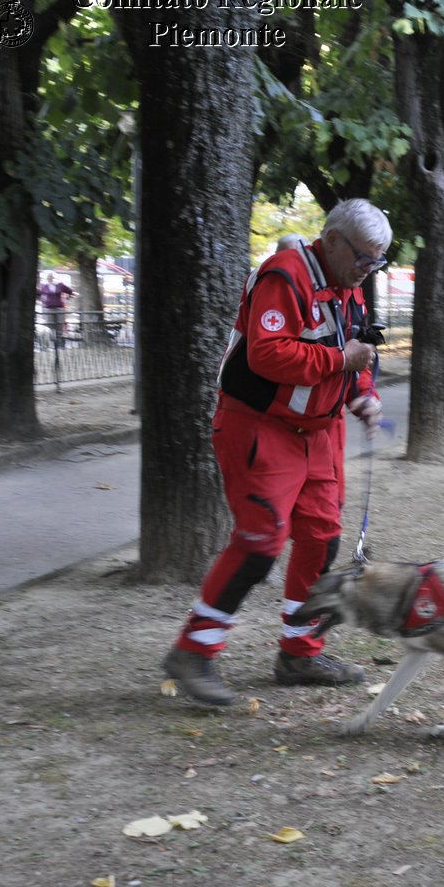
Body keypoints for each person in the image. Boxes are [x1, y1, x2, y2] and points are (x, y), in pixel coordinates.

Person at [162, 199, 390, 706]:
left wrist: (364, 393)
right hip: (261, 426)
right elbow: (267, 353)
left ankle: (299, 651)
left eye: (377, 261)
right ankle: (192, 653)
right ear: (331, 240)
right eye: (363, 257)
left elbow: (357, 349)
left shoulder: (348, 287)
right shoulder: (283, 275)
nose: (367, 269)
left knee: (323, 537)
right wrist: (340, 359)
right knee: (262, 540)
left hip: (320, 433)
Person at [38, 272, 75, 346]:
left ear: (54, 277)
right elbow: (38, 294)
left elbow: (70, 291)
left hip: (59, 308)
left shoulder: (60, 285)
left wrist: (67, 298)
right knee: (50, 326)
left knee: (59, 325)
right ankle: (52, 343)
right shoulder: (44, 286)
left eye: (51, 277)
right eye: (49, 277)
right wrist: (42, 301)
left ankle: (59, 344)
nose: (50, 278)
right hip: (49, 308)